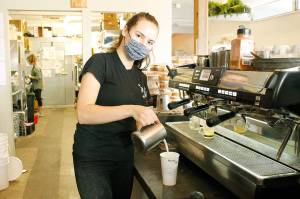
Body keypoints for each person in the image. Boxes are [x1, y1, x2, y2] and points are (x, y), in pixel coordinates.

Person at [73, 12, 160, 199]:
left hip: (124, 158)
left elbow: (136, 121)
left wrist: (148, 124)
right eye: (139, 36)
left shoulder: (140, 77)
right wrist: (132, 109)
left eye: (150, 42)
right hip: (93, 158)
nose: (143, 44)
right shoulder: (100, 63)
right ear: (125, 30)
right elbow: (84, 113)